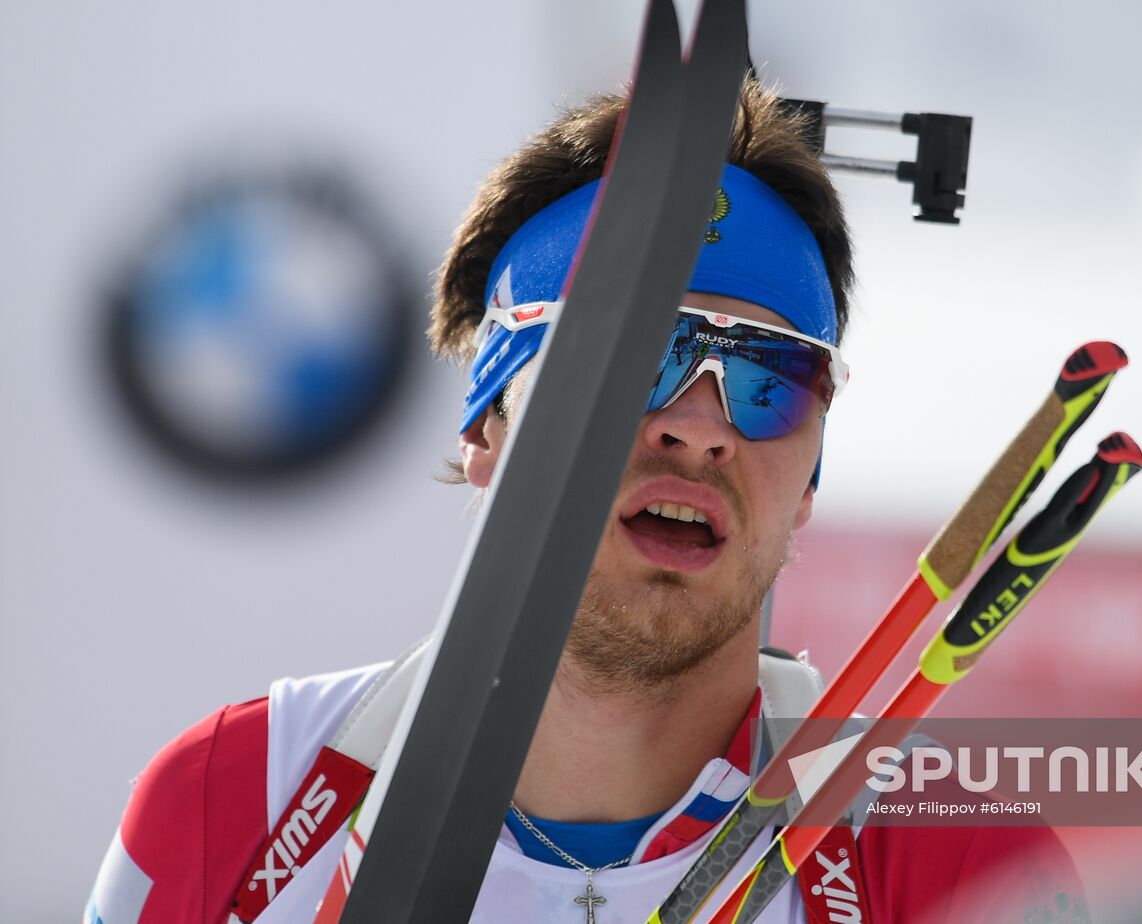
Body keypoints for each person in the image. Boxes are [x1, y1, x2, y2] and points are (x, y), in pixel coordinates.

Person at [86, 79, 1088, 924]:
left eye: (770, 379)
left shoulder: (947, 849)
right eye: (631, 356)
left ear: (807, 486)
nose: (701, 428)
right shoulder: (234, 802)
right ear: (487, 429)